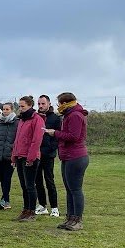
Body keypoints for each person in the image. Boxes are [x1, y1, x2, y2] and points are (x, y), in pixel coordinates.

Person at [45, 91, 89, 231]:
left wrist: (55, 133)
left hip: (76, 157)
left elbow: (74, 136)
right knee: (69, 189)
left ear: (64, 103)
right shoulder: (69, 114)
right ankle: (70, 218)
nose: (58, 106)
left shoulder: (75, 115)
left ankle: (77, 219)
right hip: (68, 156)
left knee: (75, 189)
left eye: (58, 103)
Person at [11, 95, 45, 222]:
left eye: (22, 106)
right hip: (20, 156)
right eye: (19, 106)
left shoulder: (37, 119)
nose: (20, 108)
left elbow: (36, 140)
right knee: (23, 185)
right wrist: (14, 156)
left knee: (30, 185)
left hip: (30, 157)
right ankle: (25, 210)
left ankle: (31, 212)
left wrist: (30, 158)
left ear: (30, 106)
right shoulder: (21, 120)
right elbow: (17, 140)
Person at [34, 94, 61, 217]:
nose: (40, 106)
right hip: (36, 154)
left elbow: (58, 136)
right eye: (39, 103)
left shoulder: (55, 118)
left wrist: (51, 148)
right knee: (37, 181)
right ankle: (42, 205)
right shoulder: (35, 117)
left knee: (49, 181)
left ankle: (54, 208)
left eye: (43, 103)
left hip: (48, 154)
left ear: (49, 104)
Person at [0, 102, 18, 210]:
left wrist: (11, 147)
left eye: (7, 109)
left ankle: (6, 200)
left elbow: (18, 138)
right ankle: (3, 198)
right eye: (4, 109)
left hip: (9, 156)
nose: (5, 111)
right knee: (0, 178)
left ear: (12, 110)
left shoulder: (16, 123)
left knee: (7, 178)